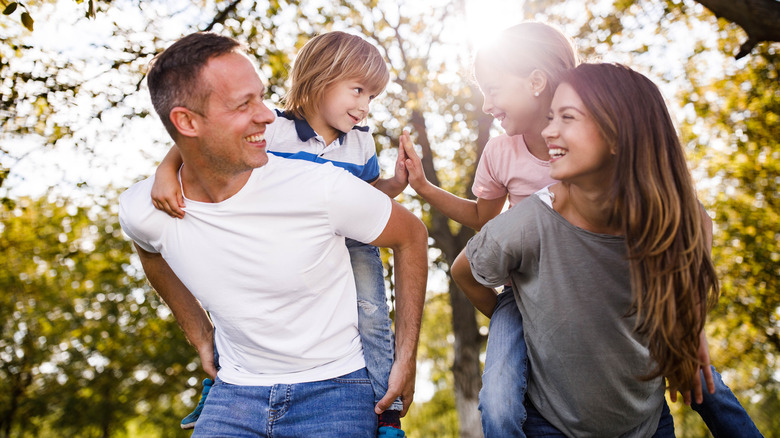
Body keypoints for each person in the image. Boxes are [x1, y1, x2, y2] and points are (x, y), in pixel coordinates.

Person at [402, 22, 762, 437]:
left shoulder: (617, 170)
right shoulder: (504, 156)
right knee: (499, 403)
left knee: (703, 378)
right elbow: (485, 225)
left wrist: (691, 321)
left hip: (603, 282)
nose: (486, 103)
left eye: (494, 88)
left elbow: (693, 222)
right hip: (528, 285)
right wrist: (425, 188)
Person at [119, 31, 428, 437]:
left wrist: (406, 358)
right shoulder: (148, 206)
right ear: (186, 121)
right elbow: (149, 246)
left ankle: (386, 412)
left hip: (337, 378)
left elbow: (390, 217)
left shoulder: (341, 166)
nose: (263, 114)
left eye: (260, 98)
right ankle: (210, 386)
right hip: (236, 390)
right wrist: (200, 334)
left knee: (372, 309)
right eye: (243, 103)